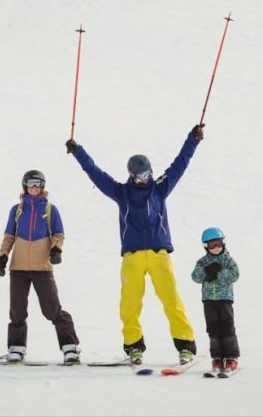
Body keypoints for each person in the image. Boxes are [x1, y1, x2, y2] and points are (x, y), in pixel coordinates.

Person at [65, 124, 204, 365]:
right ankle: (134, 347)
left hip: (160, 255)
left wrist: (193, 139)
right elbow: (95, 173)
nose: (144, 179)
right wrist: (78, 152)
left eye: (147, 174)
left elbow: (180, 163)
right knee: (129, 303)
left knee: (172, 300)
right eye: (140, 176)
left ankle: (185, 346)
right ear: (132, 175)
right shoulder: (121, 193)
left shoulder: (160, 189)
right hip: (132, 257)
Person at [0, 169, 81, 365]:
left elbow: (58, 234)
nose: (34, 187)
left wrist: (56, 250)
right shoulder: (16, 210)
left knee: (52, 309)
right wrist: (2, 257)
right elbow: (9, 236)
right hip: (18, 268)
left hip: (42, 267)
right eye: (31, 183)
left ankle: (70, 347)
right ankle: (16, 348)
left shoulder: (50, 209)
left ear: (42, 186)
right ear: (24, 185)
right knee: (17, 310)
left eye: (38, 183)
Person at [190, 227, 241, 374]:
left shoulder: (228, 260)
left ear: (223, 243)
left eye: (218, 244)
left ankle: (231, 358)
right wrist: (206, 271)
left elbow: (234, 276)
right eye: (212, 245)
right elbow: (195, 277)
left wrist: (219, 271)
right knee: (213, 329)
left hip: (225, 299)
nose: (216, 248)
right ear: (206, 246)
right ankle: (217, 358)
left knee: (227, 328)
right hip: (208, 301)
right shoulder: (202, 262)